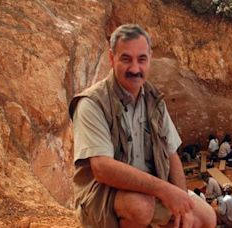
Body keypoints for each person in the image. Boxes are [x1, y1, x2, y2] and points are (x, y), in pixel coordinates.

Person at [69, 24, 216, 228]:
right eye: (126, 59)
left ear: (150, 59)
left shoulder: (154, 100)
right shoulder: (92, 103)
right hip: (104, 194)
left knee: (207, 216)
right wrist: (164, 190)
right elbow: (102, 169)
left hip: (149, 190)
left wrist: (183, 203)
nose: (135, 69)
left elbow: (172, 155)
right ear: (112, 59)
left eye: (141, 59)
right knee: (140, 206)